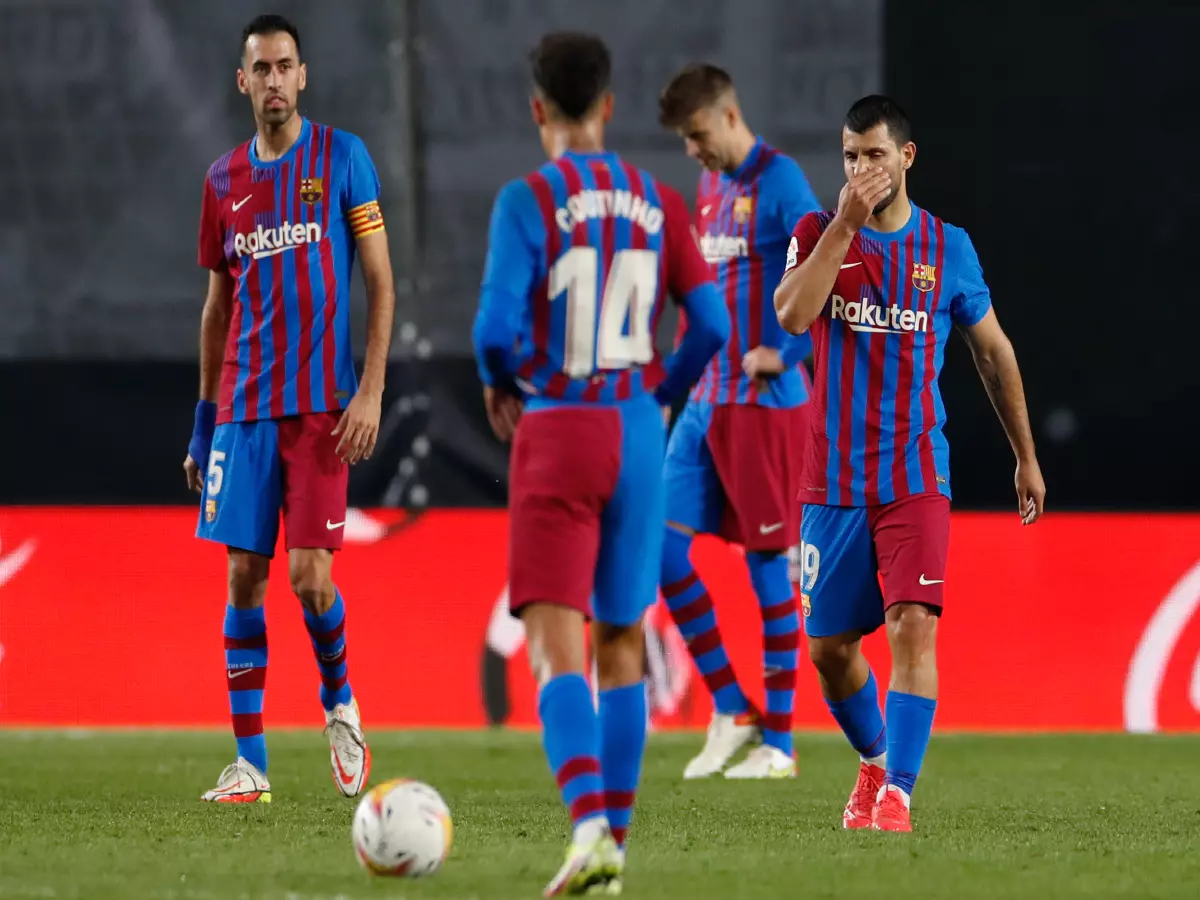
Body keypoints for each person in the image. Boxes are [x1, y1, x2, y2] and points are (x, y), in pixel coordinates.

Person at [473, 32, 729, 896]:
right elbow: (714, 327)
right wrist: (661, 391)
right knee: (621, 642)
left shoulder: (526, 199)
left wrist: (500, 381)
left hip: (562, 424)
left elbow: (492, 331)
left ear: (538, 108)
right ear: (610, 106)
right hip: (637, 429)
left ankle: (588, 829)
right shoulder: (661, 198)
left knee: (555, 649)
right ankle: (613, 852)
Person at [774, 95, 1046, 832]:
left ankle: (897, 791)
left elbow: (993, 352)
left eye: (873, 155)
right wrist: (843, 226)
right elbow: (793, 316)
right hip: (831, 483)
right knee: (829, 650)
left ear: (907, 158)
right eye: (850, 156)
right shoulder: (818, 232)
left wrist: (1025, 456)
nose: (861, 169)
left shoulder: (948, 247)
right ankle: (871, 759)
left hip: (915, 474)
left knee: (912, 624)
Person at [183, 14, 396, 804]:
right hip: (242, 409)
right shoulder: (220, 182)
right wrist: (203, 427)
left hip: (322, 412)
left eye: (285, 66)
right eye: (260, 69)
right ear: (243, 83)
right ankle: (252, 767)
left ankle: (339, 699)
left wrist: (371, 389)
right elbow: (215, 309)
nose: (273, 80)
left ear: (302, 76)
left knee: (310, 579)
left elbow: (380, 281)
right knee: (243, 575)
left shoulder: (345, 159)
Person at [656, 64, 821, 779]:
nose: (693, 152)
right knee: (658, 553)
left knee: (764, 570)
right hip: (704, 401)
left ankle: (780, 745)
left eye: (697, 137)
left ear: (728, 117)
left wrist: (784, 352)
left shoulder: (782, 185)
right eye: (686, 142)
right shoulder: (713, 185)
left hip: (763, 407)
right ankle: (732, 705)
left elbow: (833, 279)